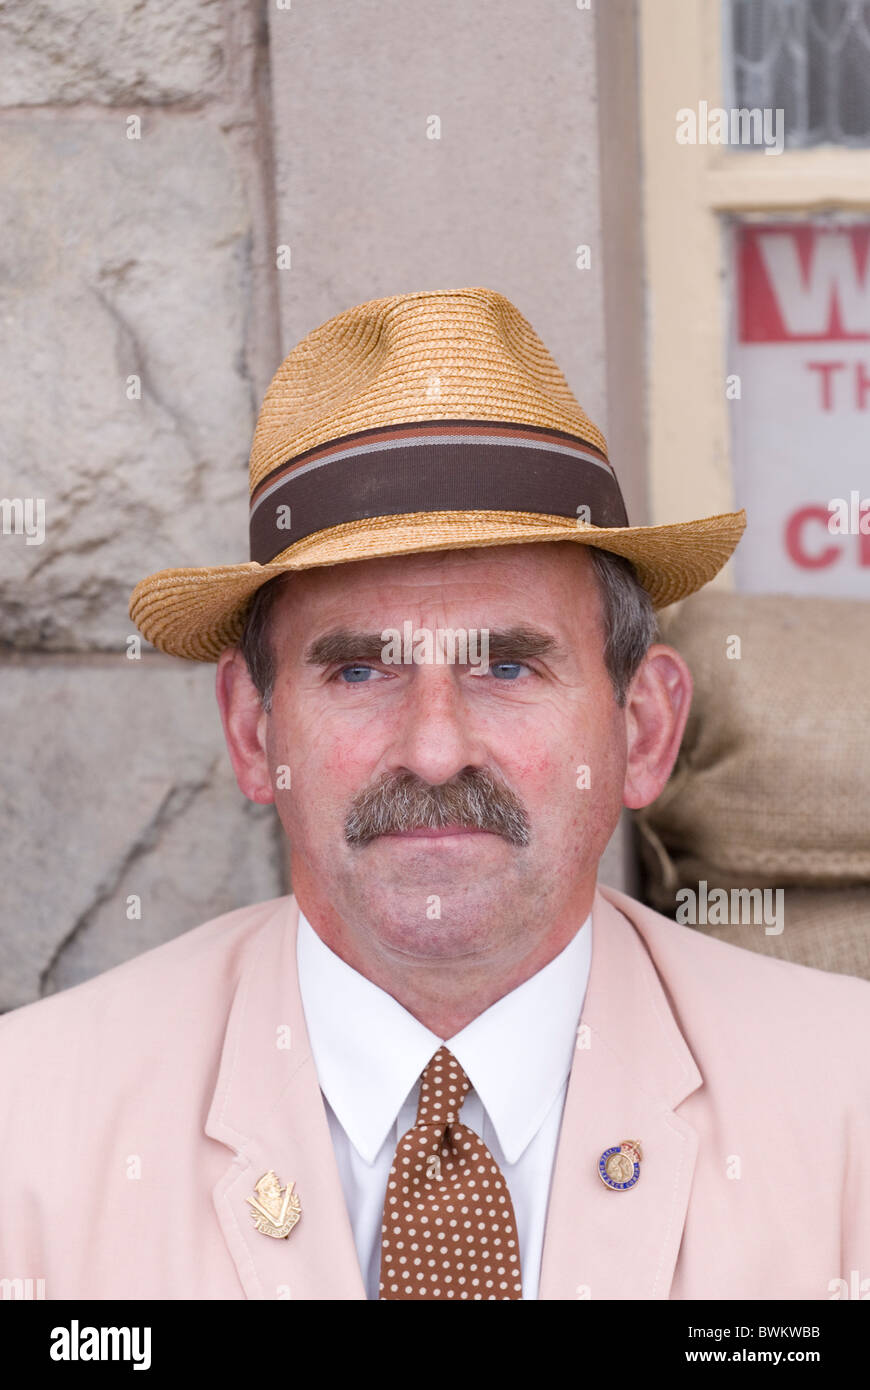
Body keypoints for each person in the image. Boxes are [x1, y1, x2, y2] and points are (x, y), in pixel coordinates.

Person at [1, 287, 867, 1302]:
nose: (436, 750)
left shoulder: (847, 1102)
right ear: (252, 731)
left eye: (506, 665)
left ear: (642, 731)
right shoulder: (32, 1129)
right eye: (360, 670)